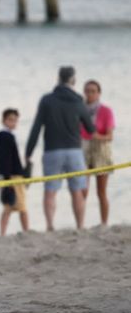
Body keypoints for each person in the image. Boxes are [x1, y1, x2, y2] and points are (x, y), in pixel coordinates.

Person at [24, 66, 96, 231]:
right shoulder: (78, 100)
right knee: (77, 191)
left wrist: (28, 152)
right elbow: (90, 129)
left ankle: (50, 226)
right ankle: (80, 226)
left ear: (58, 79)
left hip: (52, 151)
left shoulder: (47, 100)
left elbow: (36, 127)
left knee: (50, 191)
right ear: (73, 80)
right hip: (74, 151)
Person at [81, 80, 115, 226]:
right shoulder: (79, 110)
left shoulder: (106, 111)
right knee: (82, 190)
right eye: (87, 91)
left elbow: (110, 136)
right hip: (83, 149)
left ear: (98, 93)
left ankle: (104, 223)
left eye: (93, 91)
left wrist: (97, 136)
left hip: (101, 150)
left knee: (101, 191)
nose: (89, 94)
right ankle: (80, 223)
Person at [0, 108, 30, 236]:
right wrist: (8, 178)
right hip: (12, 176)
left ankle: (2, 233)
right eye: (10, 120)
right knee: (22, 207)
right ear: (3, 121)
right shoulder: (6, 137)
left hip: (8, 176)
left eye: (15, 120)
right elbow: (6, 159)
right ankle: (26, 231)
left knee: (8, 207)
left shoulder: (5, 137)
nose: (13, 122)